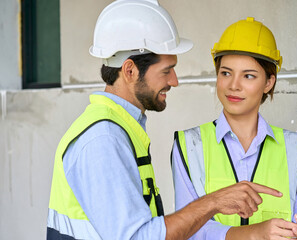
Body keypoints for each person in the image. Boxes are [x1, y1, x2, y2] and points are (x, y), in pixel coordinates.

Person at [46, 2, 283, 240]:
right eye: (166, 70)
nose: (174, 80)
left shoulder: (120, 130)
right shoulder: (103, 140)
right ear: (130, 71)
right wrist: (214, 202)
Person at [172, 17, 297, 240]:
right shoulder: (189, 144)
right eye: (226, 73)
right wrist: (254, 233)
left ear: (269, 82)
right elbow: (185, 232)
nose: (233, 85)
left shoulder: (296, 147)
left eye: (248, 75)